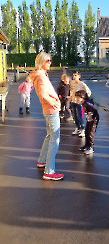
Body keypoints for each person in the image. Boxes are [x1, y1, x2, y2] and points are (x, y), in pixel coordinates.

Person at [30, 52, 64, 181]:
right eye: (48, 61)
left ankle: (42, 161)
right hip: (51, 110)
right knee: (55, 140)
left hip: (48, 110)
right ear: (42, 62)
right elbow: (43, 95)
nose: (50, 62)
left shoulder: (40, 75)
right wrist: (54, 104)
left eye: (50, 60)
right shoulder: (41, 77)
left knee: (49, 136)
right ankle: (49, 172)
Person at [75, 90, 99, 155]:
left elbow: (95, 110)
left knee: (91, 133)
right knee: (86, 132)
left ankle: (91, 147)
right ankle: (87, 145)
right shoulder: (83, 103)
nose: (76, 99)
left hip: (93, 120)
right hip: (89, 119)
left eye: (77, 97)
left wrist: (93, 117)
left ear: (82, 97)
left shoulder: (87, 104)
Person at [70, 71, 91, 137]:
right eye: (73, 75)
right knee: (74, 116)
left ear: (79, 76)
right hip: (73, 101)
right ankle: (77, 128)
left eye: (75, 75)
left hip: (79, 103)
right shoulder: (72, 83)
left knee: (79, 116)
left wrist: (84, 99)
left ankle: (83, 129)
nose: (74, 77)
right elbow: (71, 90)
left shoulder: (82, 84)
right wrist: (70, 96)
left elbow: (88, 92)